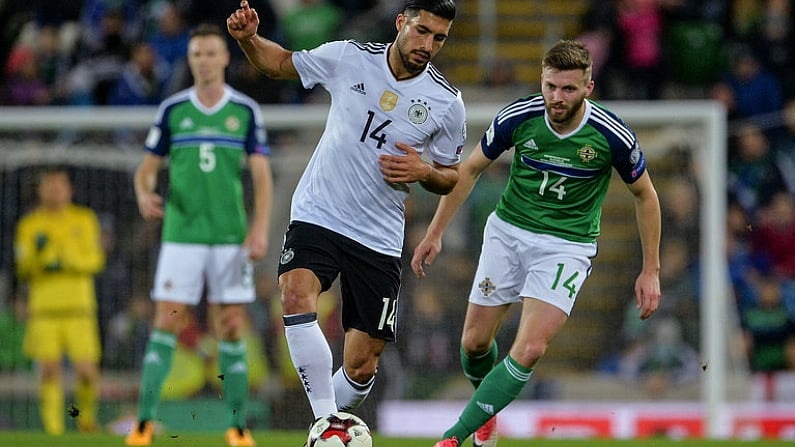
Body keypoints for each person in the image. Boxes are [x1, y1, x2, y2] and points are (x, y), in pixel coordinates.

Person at [410, 39, 662, 447]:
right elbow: (470, 169)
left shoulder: (611, 135)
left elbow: (646, 196)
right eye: (550, 86)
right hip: (508, 234)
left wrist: (650, 269)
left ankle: (454, 437)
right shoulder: (520, 116)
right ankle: (485, 414)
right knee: (474, 344)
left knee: (529, 347)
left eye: (568, 89)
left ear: (588, 88)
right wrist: (435, 232)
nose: (556, 98)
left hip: (567, 246)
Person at [226, 0, 464, 429]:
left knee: (362, 364)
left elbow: (451, 176)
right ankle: (326, 426)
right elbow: (278, 63)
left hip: (379, 235)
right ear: (400, 22)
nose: (428, 44)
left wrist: (425, 171)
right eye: (422, 31)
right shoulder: (349, 58)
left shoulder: (447, 103)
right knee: (296, 294)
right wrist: (248, 40)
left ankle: (325, 425)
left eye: (439, 38)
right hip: (319, 212)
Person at [123, 23, 273, 447]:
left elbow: (261, 178)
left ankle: (238, 428)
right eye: (196, 55)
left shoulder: (244, 111)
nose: (204, 61)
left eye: (211, 53)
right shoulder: (173, 110)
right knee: (165, 322)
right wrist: (142, 192)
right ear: (189, 61)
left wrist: (259, 229)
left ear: (225, 58)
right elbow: (147, 170)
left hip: (229, 239)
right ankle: (144, 423)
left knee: (229, 327)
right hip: (181, 236)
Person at [14, 165, 106, 434]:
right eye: (49, 185)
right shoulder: (29, 225)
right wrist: (41, 259)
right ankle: (53, 432)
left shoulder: (85, 219)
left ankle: (86, 422)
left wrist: (65, 258)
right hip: (44, 310)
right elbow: (22, 266)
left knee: (87, 372)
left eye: (59, 185)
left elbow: (96, 260)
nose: (54, 190)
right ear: (40, 190)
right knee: (49, 371)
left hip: (79, 309)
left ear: (70, 190)